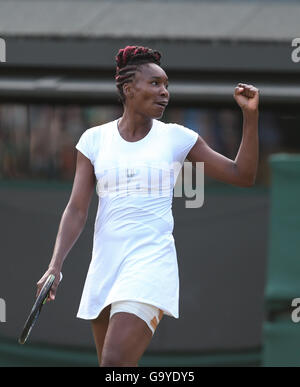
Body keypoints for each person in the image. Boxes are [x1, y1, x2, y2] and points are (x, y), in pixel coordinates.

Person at [36, 45, 259, 367]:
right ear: (129, 89)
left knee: (114, 363)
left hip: (150, 264)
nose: (165, 92)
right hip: (105, 269)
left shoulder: (178, 137)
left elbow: (243, 175)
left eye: (166, 84)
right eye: (155, 83)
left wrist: (250, 117)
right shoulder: (93, 140)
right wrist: (55, 266)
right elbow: (76, 209)